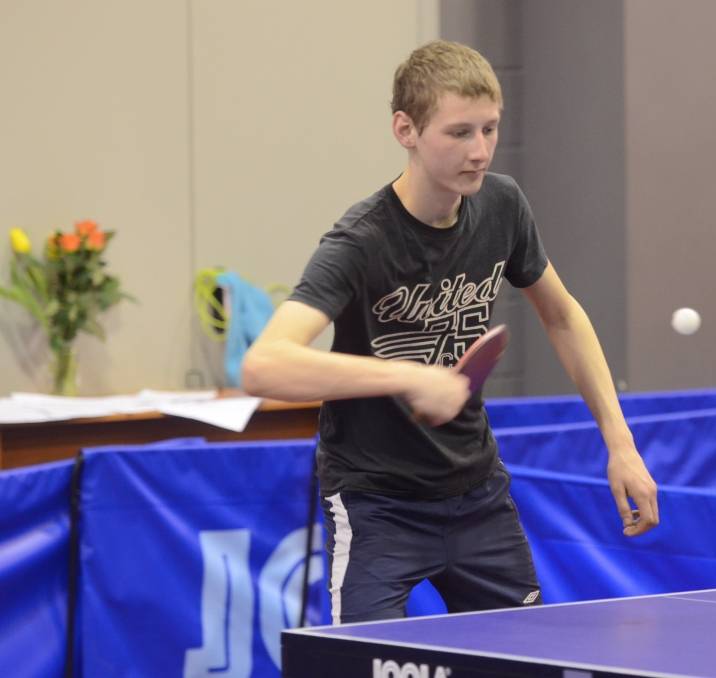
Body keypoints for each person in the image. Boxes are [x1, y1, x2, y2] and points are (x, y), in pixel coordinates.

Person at [242, 40, 658, 624]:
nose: (480, 151)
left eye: (490, 129)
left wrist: (621, 445)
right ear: (405, 130)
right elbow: (264, 365)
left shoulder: (503, 206)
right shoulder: (361, 241)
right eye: (459, 133)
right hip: (375, 504)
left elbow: (563, 315)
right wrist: (407, 378)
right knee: (362, 662)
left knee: (523, 659)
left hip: (478, 495)